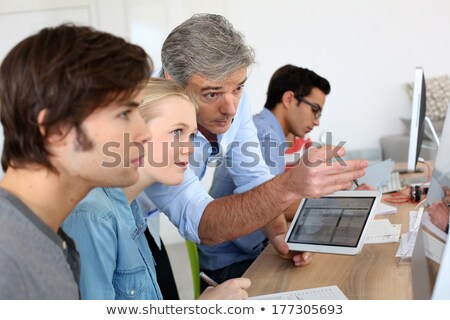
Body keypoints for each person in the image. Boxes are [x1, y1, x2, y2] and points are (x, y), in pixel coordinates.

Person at [142, 13, 368, 276]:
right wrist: (290, 184)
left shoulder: (231, 94)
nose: (230, 109)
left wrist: (280, 237)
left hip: (148, 224)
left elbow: (254, 178)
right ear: (172, 81)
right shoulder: (152, 120)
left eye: (238, 88)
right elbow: (201, 222)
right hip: (122, 217)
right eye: (211, 93)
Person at [0, 24, 152, 299]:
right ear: (56, 129)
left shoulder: (46, 238)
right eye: (123, 114)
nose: (144, 133)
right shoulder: (8, 263)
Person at [62, 78, 250, 299]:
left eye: (190, 136)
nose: (189, 148)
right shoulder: (92, 215)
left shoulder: (130, 209)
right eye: (176, 132)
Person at [197, 65, 332, 286]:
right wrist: (333, 203)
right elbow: (277, 204)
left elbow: (275, 201)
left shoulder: (265, 129)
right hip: (228, 262)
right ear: (289, 99)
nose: (317, 120)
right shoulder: (265, 135)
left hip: (235, 251)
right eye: (315, 110)